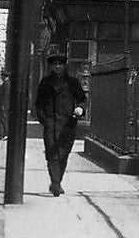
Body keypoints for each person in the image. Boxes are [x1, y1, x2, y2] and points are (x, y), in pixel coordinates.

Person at [34, 50, 87, 196]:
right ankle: (55, 183)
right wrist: (43, 119)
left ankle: (57, 181)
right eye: (55, 64)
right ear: (51, 66)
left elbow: (82, 99)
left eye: (60, 64)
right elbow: (39, 103)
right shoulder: (45, 82)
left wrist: (79, 108)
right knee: (52, 153)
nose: (57, 67)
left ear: (64, 66)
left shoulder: (73, 82)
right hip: (50, 123)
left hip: (68, 123)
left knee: (63, 154)